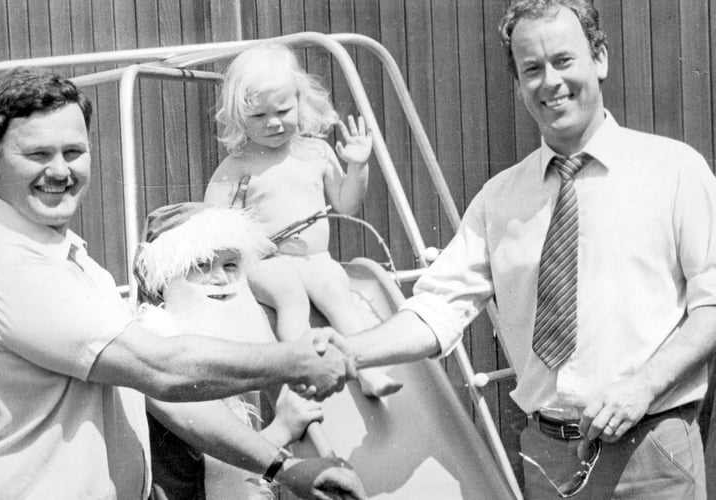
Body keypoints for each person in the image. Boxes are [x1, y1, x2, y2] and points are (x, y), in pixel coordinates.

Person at [330, 1, 716, 498]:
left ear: (599, 58)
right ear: (518, 85)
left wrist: (643, 386)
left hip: (651, 448)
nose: (549, 81)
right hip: (546, 456)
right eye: (531, 69)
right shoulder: (499, 199)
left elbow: (712, 304)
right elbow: (435, 311)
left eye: (563, 60)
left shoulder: (674, 170)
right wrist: (345, 350)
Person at [0, 67, 364, 500]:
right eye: (38, 155)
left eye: (74, 152)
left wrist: (282, 466)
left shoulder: (65, 257)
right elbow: (162, 369)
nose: (60, 171)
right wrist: (295, 360)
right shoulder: (7, 268)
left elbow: (164, 396)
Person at [204, 43, 401, 398]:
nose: (274, 122)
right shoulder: (238, 166)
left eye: (282, 109)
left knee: (338, 293)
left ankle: (369, 369)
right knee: (290, 296)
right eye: (258, 116)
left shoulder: (316, 152)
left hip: (316, 259)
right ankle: (302, 372)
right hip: (267, 262)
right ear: (238, 117)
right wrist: (246, 242)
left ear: (300, 101)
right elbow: (214, 224)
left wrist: (358, 166)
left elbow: (346, 203)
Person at [133, 202, 327, 499]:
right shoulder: (156, 343)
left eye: (230, 265)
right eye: (200, 266)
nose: (220, 278)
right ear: (165, 278)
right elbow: (224, 463)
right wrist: (284, 429)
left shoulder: (222, 330)